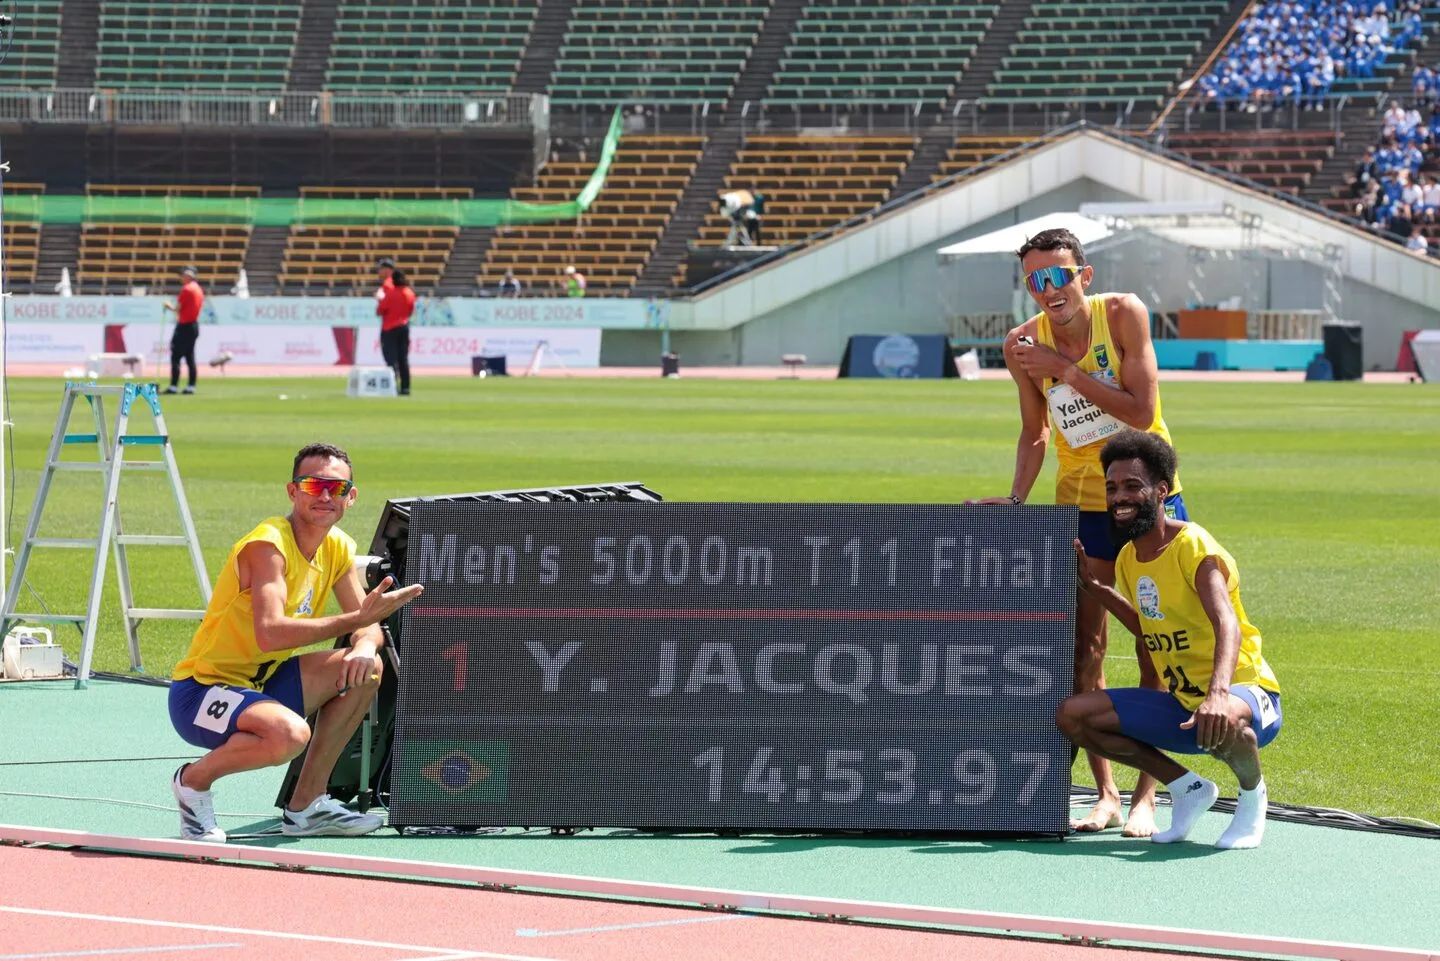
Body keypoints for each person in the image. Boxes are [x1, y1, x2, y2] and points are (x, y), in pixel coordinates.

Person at [967, 226, 1188, 837]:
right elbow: (1035, 431)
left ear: (1082, 277)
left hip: (1147, 498)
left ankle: (1152, 795)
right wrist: (1015, 497)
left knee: (1156, 638)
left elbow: (1141, 412)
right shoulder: (1021, 345)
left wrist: (1062, 367)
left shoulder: (1121, 315)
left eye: (1058, 275)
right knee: (1084, 649)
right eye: (1035, 280)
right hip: (1081, 504)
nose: (1048, 289)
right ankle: (1107, 792)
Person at [167, 443, 424, 842]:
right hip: (200, 693)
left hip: (260, 685)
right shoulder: (267, 546)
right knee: (290, 736)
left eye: (336, 488)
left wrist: (363, 643)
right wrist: (358, 621)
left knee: (368, 668)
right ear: (293, 491)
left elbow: (367, 625)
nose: (324, 496)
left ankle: (307, 806)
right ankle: (192, 782)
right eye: (313, 485)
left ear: (351, 497)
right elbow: (270, 633)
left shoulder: (337, 546)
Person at [1058, 431, 1282, 849]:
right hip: (1186, 708)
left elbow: (1226, 624)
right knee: (1073, 716)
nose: (1119, 497)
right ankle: (1186, 788)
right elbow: (1150, 628)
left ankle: (1253, 798)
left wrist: (1218, 693)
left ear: (1161, 491)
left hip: (1247, 695)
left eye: (1131, 486)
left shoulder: (1193, 546)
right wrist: (1098, 589)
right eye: (1111, 487)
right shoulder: (1128, 557)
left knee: (1228, 720)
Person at [163, 265, 203, 395]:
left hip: (185, 325)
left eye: (183, 276)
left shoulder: (187, 289)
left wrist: (168, 306)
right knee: (190, 356)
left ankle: (174, 386)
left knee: (176, 355)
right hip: (194, 325)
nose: (181, 278)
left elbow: (177, 309)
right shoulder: (198, 289)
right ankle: (191, 386)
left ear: (188, 276)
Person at [378, 268, 415, 396]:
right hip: (404, 327)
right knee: (403, 359)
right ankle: (406, 387)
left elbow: (380, 310)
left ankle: (392, 385)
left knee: (391, 359)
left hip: (389, 328)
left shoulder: (390, 294)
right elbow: (411, 310)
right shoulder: (409, 293)